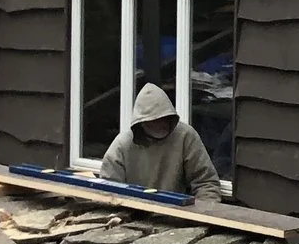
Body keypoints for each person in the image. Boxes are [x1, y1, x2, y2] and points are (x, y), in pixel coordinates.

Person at [97, 82, 227, 203]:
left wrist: (203, 213)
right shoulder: (122, 145)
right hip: (132, 212)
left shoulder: (185, 136)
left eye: (164, 119)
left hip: (176, 214)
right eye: (154, 120)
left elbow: (206, 183)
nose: (160, 124)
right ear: (141, 123)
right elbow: (108, 190)